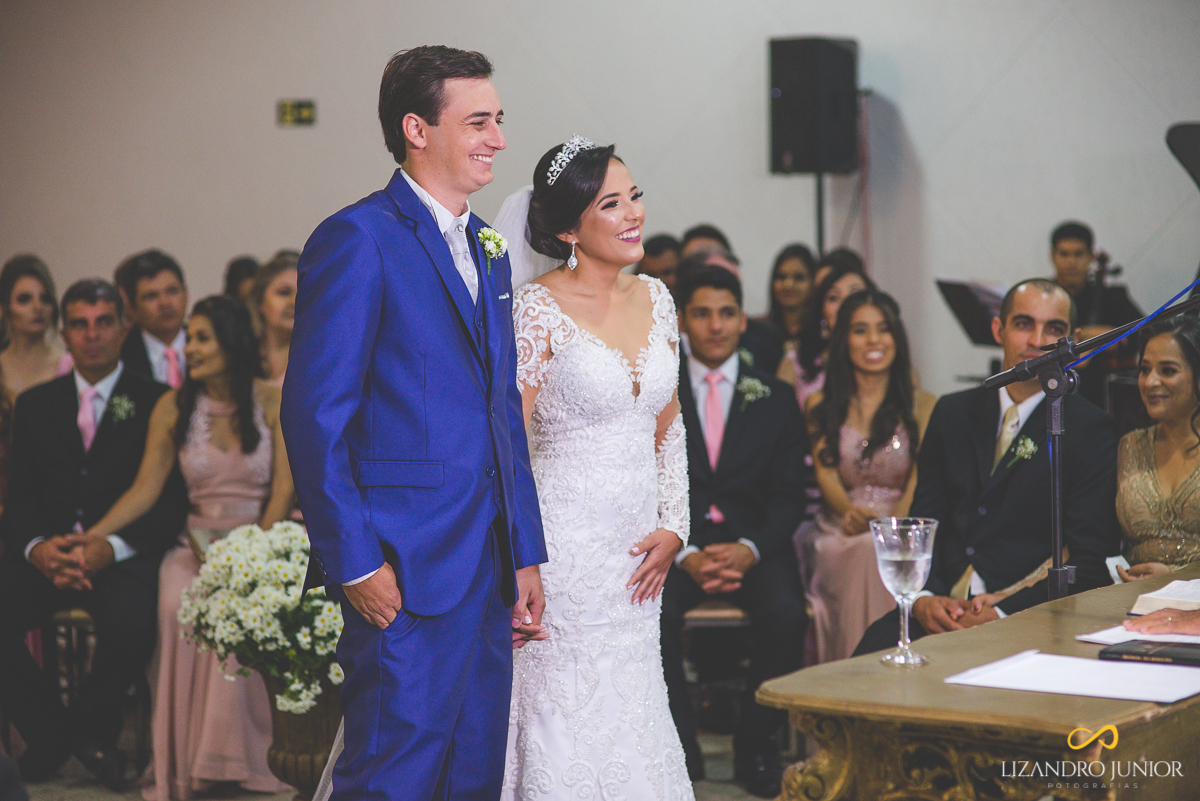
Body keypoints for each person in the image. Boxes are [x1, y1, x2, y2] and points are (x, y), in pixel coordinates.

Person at [285, 46, 547, 801]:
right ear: (416, 129)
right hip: (402, 565)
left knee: (473, 776)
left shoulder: (490, 252)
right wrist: (358, 562)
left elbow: (502, 415)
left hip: (488, 568)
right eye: (477, 121)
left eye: (498, 120)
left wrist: (524, 553)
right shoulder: (358, 238)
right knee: (391, 776)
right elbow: (314, 416)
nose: (497, 137)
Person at [501, 137, 692, 800]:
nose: (633, 212)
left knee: (636, 703)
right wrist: (520, 555)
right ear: (568, 229)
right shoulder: (534, 309)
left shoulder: (660, 299)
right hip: (563, 550)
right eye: (610, 203)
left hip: (637, 556)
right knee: (565, 717)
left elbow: (669, 426)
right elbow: (506, 443)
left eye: (633, 195)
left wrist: (676, 524)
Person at [81, 295, 293, 799]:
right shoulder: (172, 406)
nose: (189, 348)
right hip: (191, 545)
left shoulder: (270, 401)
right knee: (179, 604)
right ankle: (184, 764)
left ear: (231, 342)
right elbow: (144, 489)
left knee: (244, 605)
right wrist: (91, 537)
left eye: (201, 338)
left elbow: (284, 486)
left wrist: (255, 555)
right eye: (189, 338)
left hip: (256, 540)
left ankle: (242, 757)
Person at [853, 279, 1121, 656]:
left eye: (1054, 329)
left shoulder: (1089, 428)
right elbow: (926, 522)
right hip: (940, 607)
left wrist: (1004, 610)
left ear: (1070, 340)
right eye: (1024, 324)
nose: (1037, 340)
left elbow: (1090, 562)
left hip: (1029, 615)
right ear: (999, 329)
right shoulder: (952, 412)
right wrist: (925, 598)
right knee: (867, 660)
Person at [0, 279, 188, 789]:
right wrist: (39, 549)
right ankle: (59, 734)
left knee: (132, 623)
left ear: (125, 329)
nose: (92, 335)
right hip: (50, 555)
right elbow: (20, 498)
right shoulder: (37, 404)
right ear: (64, 332)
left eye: (104, 322)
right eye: (79, 324)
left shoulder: (157, 400)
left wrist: (112, 546)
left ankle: (82, 735)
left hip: (121, 557)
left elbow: (170, 499)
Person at [662, 263, 808, 797]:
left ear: (743, 320)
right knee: (648, 611)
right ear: (681, 320)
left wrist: (750, 549)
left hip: (756, 547)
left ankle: (755, 745)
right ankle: (681, 747)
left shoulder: (776, 395)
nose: (715, 326)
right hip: (677, 545)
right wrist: (685, 551)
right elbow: (640, 483)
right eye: (701, 313)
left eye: (726, 313)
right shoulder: (658, 389)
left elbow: (790, 495)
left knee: (788, 613)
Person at [804, 289, 935, 663]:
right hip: (841, 525)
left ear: (898, 338)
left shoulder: (923, 404)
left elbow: (916, 480)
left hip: (903, 526)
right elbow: (825, 474)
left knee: (877, 550)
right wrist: (852, 513)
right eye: (861, 330)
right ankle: (857, 671)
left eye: (884, 329)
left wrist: (893, 529)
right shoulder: (819, 404)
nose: (874, 340)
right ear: (844, 338)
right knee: (862, 549)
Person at [1112, 316, 1200, 582]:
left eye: (1168, 371)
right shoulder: (1131, 446)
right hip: (1132, 602)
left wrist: (1175, 577)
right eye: (1144, 369)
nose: (1150, 382)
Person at [1049, 221, 1143, 407]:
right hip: (1052, 391)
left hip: (1104, 398)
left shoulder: (1112, 297)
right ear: (1052, 256)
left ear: (1091, 256)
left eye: (1078, 254)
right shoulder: (1043, 297)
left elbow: (1144, 333)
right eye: (1064, 254)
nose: (1071, 262)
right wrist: (1084, 333)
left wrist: (1112, 335)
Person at [785, 263, 875, 408]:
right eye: (833, 297)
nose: (845, 304)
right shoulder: (795, 362)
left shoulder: (886, 360)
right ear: (821, 311)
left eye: (855, 295)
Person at [0, 254, 71, 402]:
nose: (38, 307)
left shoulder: (70, 366)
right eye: (24, 299)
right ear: (4, 308)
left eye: (45, 299)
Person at [115, 250, 189, 388]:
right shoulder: (119, 360)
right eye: (152, 296)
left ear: (186, 294)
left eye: (172, 291)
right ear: (131, 308)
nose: (165, 303)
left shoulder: (215, 349)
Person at [252, 251, 297, 386]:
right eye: (284, 292)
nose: (295, 301)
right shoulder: (239, 359)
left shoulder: (320, 361)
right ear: (259, 301)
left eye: (304, 293)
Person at [764, 243, 816, 344]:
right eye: (781, 277)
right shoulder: (760, 332)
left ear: (813, 283)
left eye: (799, 277)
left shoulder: (822, 333)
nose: (788, 285)